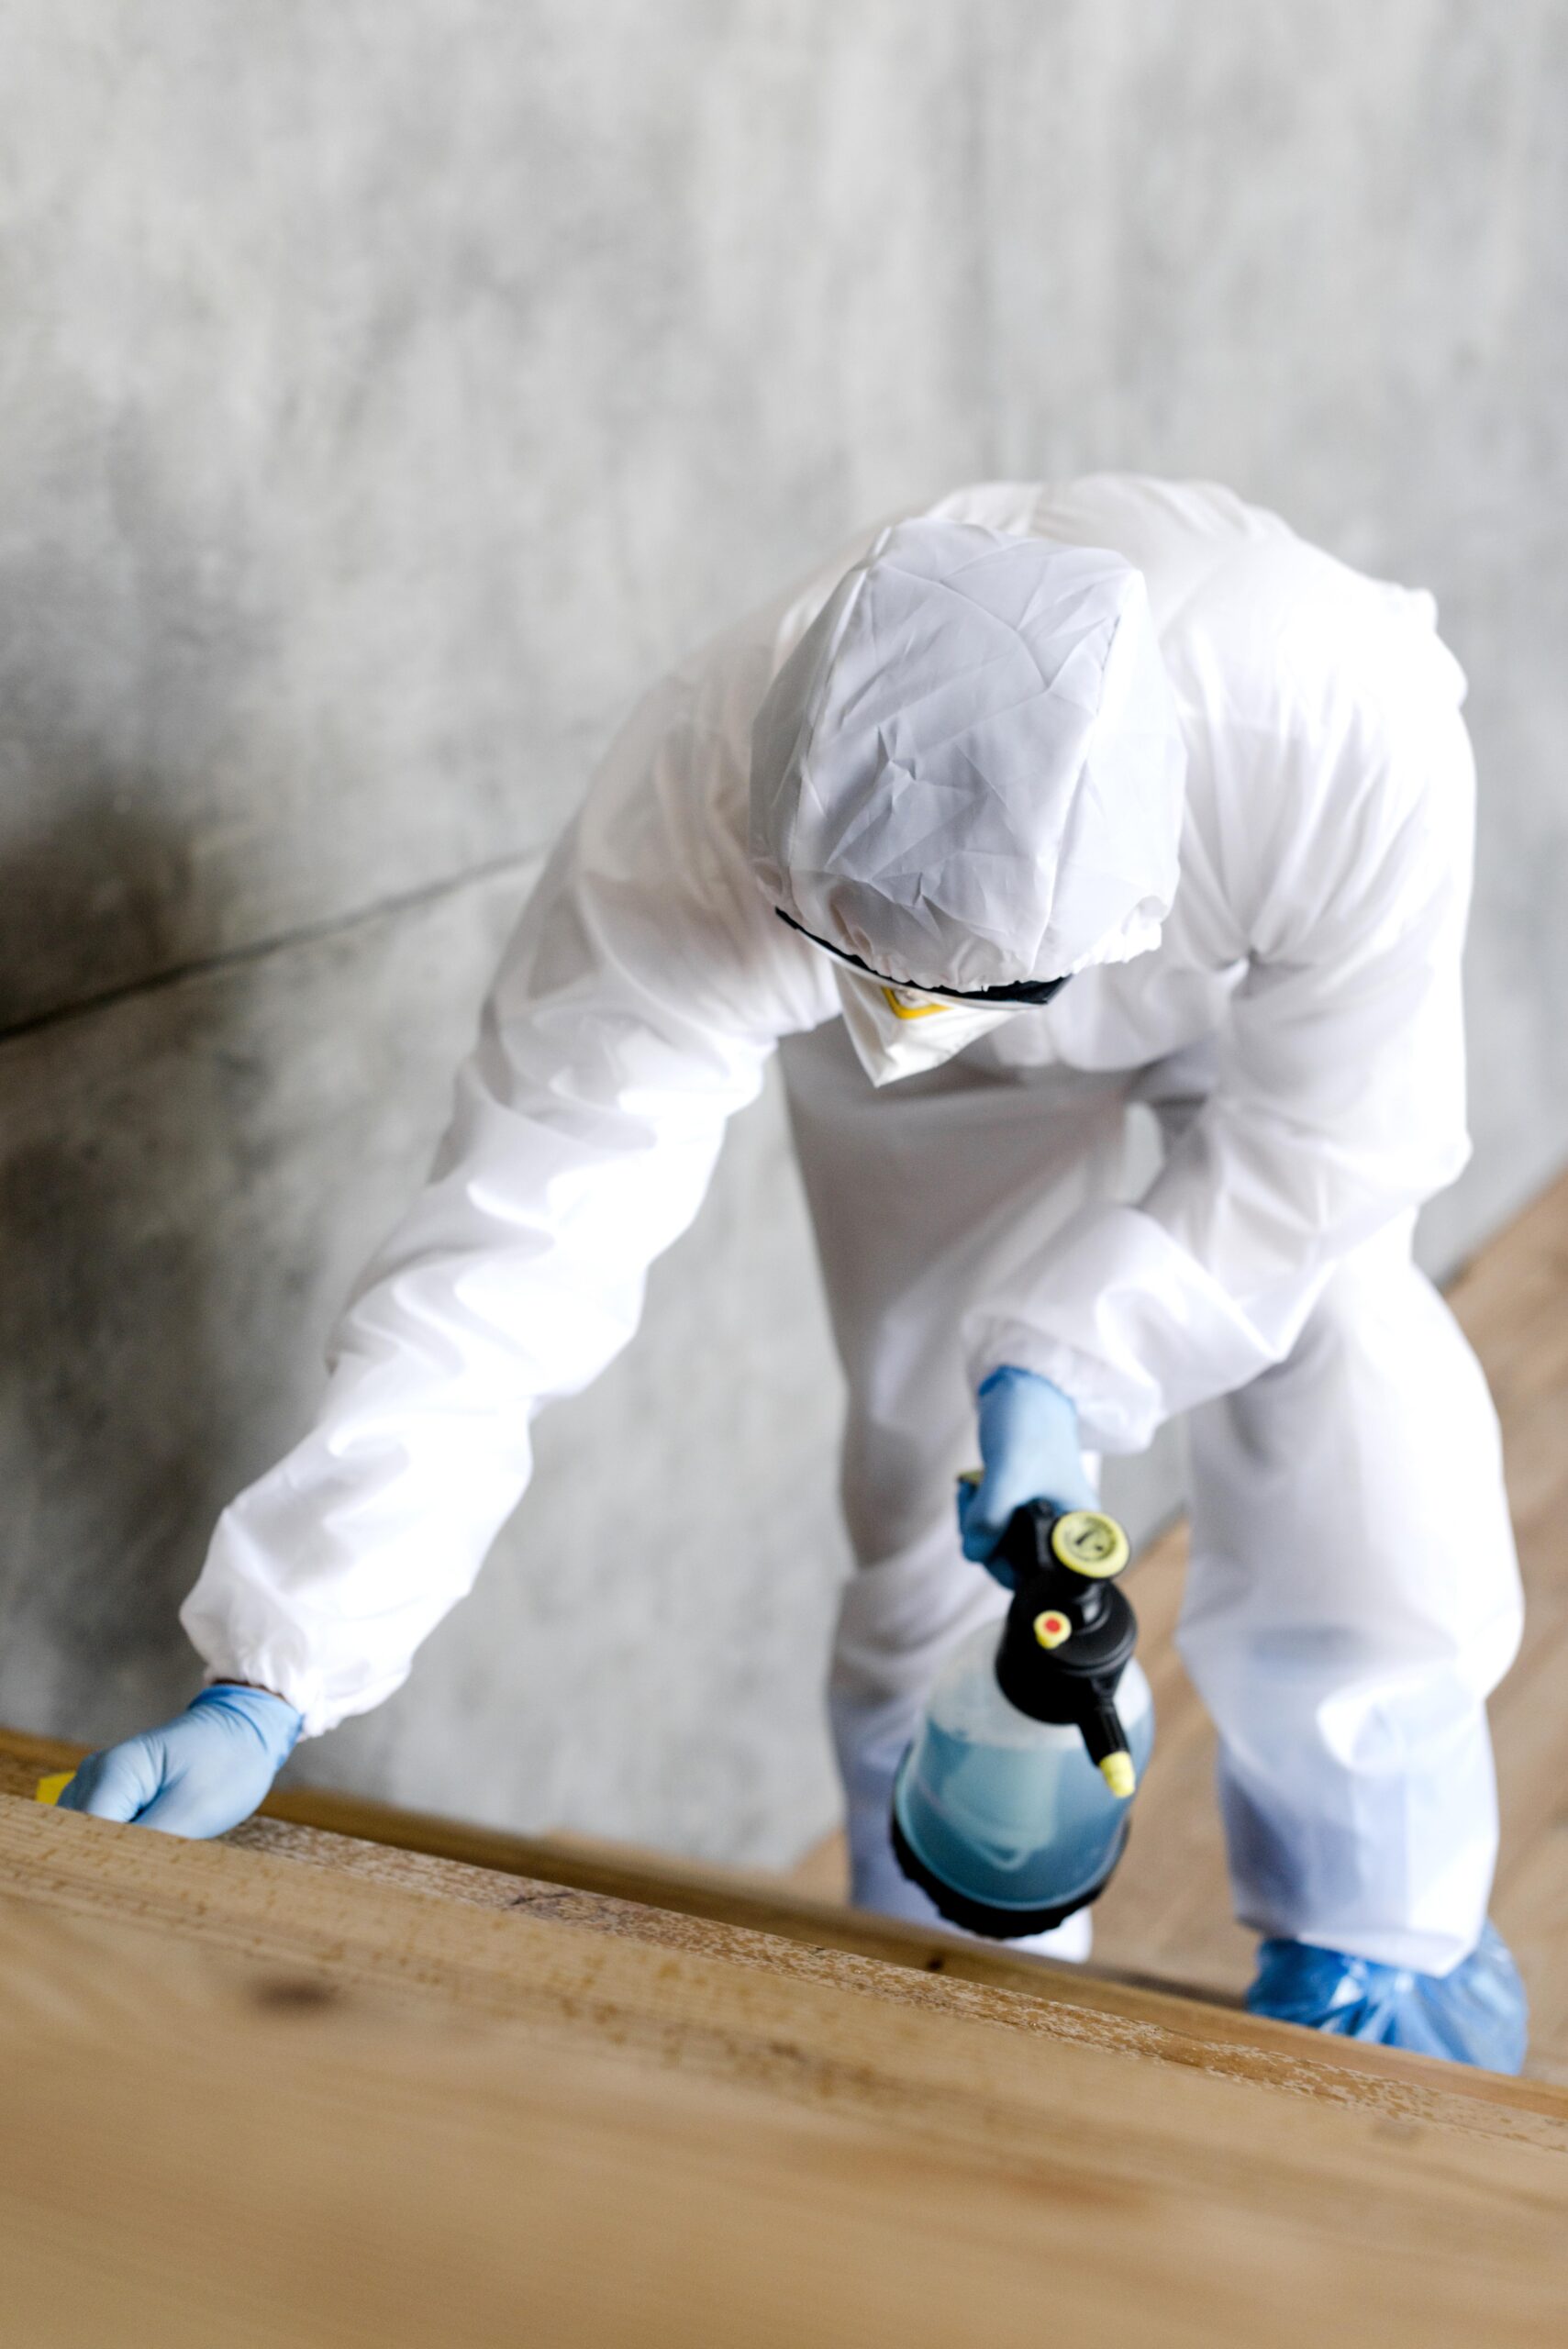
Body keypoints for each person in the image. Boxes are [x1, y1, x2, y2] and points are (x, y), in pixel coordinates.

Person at [58, 475, 1529, 2070]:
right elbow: (516, 1246)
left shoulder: (1329, 722)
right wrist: (271, 1675)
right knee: (917, 1475)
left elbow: (1324, 1160)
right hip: (886, 1017)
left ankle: (1381, 1937)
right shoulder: (699, 799)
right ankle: (948, 1988)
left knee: (1341, 1343)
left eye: (961, 983)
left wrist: (1060, 1361)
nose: (914, 1013)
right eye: (867, 965)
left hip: (1236, 1002)